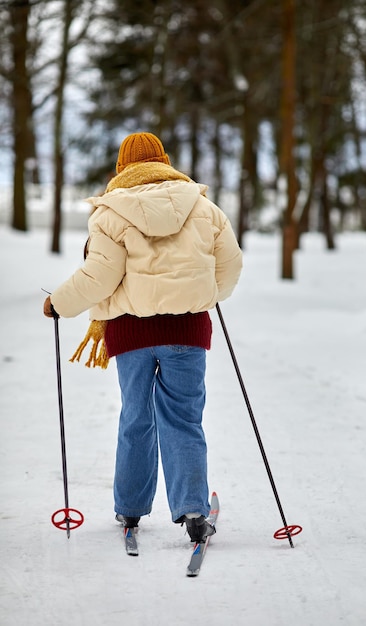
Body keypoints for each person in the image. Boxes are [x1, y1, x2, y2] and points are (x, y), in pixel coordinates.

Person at [43, 132, 242, 542]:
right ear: (165, 161)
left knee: (135, 416)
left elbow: (101, 276)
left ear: (121, 169)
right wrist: (201, 295)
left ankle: (130, 509)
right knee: (184, 419)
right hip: (186, 330)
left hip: (131, 332)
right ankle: (192, 509)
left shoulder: (109, 213)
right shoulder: (204, 208)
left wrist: (59, 304)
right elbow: (230, 266)